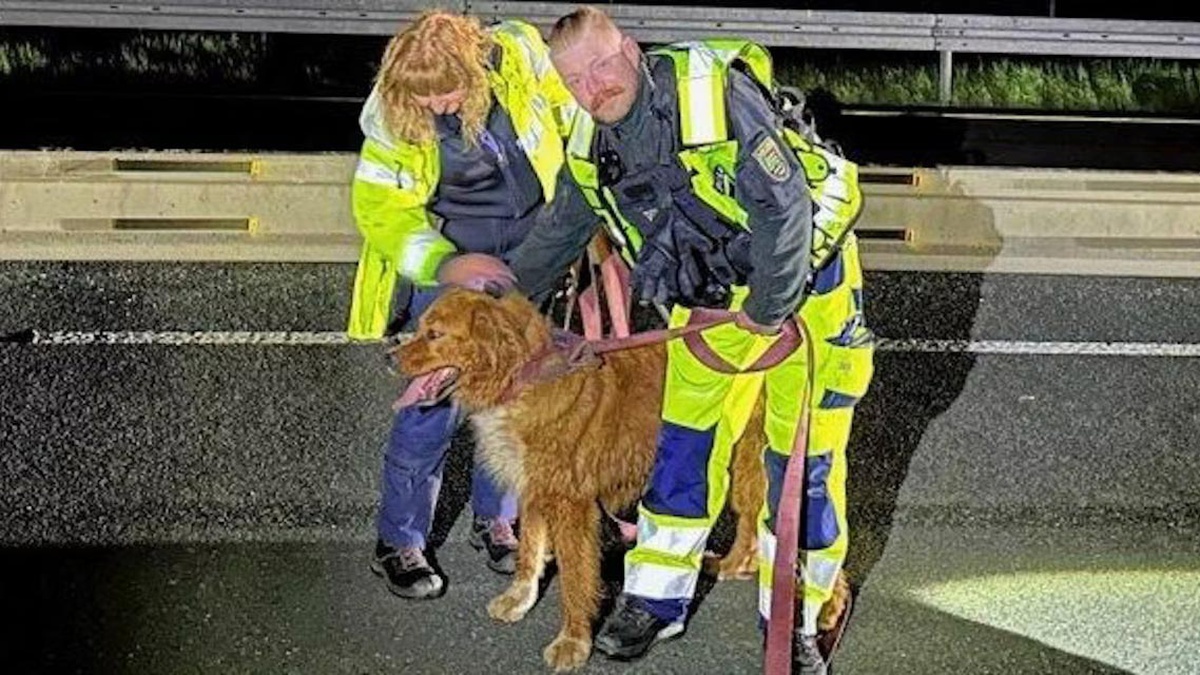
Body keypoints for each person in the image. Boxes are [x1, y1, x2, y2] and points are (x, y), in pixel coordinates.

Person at [507, 7, 874, 673]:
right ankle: (654, 599)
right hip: (718, 296)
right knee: (684, 439)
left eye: (603, 65)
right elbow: (559, 229)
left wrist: (768, 309)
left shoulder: (713, 95)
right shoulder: (592, 142)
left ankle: (796, 617)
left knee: (802, 461)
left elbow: (784, 210)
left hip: (806, 284)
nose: (596, 87)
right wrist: (499, 301)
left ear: (631, 48)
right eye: (576, 80)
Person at [346, 10, 577, 600]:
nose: (439, 107)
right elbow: (382, 213)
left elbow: (572, 116)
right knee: (430, 408)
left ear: (475, 68)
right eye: (423, 98)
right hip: (451, 266)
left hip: (530, 258)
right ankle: (398, 542)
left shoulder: (521, 54)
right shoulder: (395, 115)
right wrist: (448, 265)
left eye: (448, 92)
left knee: (513, 394)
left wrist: (580, 218)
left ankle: (494, 519)